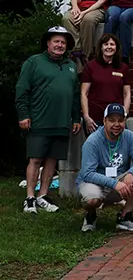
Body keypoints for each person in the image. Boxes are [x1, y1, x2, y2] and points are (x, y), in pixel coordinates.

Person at [17, 27, 81, 214]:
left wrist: (76, 118)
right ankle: (30, 198)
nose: (60, 45)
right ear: (48, 43)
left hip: (62, 122)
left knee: (52, 161)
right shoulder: (34, 62)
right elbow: (22, 90)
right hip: (38, 120)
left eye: (63, 42)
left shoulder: (71, 66)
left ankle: (43, 196)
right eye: (56, 41)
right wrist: (23, 114)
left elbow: (75, 95)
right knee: (35, 159)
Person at [77, 104, 133, 232]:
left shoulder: (128, 136)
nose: (116, 124)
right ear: (104, 121)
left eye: (120, 120)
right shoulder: (93, 141)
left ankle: (124, 217)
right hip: (95, 183)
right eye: (112, 120)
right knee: (91, 200)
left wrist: (132, 173)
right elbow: (87, 173)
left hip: (118, 183)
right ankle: (90, 216)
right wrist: (115, 184)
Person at [80, 34, 130, 135]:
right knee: (96, 150)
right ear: (101, 47)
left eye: (112, 44)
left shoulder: (123, 68)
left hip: (116, 119)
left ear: (116, 47)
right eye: (106, 44)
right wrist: (86, 117)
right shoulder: (91, 66)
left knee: (117, 150)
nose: (109, 47)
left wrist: (125, 115)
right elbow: (83, 93)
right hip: (94, 119)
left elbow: (127, 94)